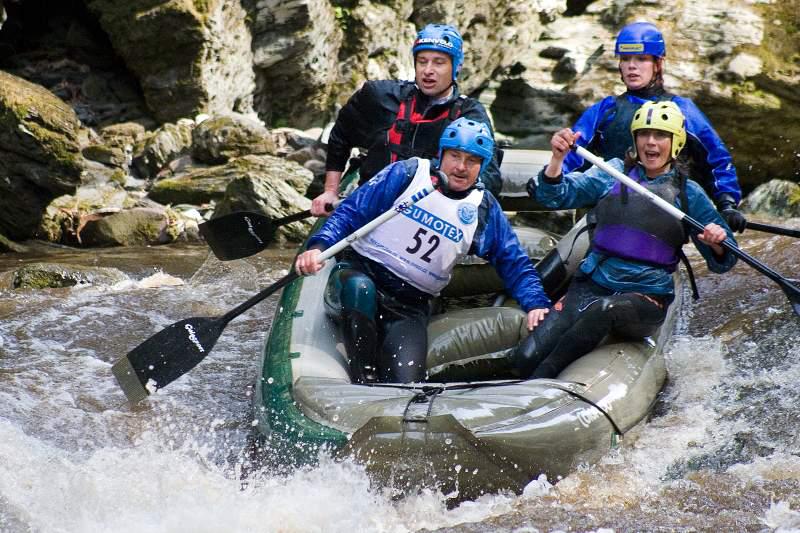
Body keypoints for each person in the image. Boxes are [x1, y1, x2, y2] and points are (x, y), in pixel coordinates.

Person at [296, 118, 550, 383]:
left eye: (472, 161)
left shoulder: (482, 209)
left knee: (406, 381)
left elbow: (514, 263)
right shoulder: (407, 174)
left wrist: (537, 304)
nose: (461, 167)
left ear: (483, 166)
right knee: (360, 289)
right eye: (455, 155)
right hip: (359, 276)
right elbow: (350, 213)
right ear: (442, 155)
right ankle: (363, 378)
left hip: (409, 306)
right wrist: (318, 247)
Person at [511, 100, 737, 379]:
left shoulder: (688, 194)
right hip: (593, 283)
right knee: (525, 357)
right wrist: (557, 159)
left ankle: (538, 383)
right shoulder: (614, 172)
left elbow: (725, 260)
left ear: (675, 142)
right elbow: (555, 195)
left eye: (660, 135)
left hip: (646, 295)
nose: (651, 143)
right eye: (644, 134)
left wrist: (716, 240)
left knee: (603, 311)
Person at [561, 21, 747, 232]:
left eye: (641, 59)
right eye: (625, 59)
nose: (632, 66)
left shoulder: (682, 110)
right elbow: (573, 157)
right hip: (607, 215)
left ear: (658, 64)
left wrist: (727, 203)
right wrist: (553, 178)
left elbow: (715, 159)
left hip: (660, 218)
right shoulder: (605, 110)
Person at [311, 23, 502, 216]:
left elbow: (490, 176)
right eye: (422, 61)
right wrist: (331, 190)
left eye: (438, 62)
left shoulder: (471, 115)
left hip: (429, 215)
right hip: (369, 206)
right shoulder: (380, 96)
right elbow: (341, 135)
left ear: (456, 66)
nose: (428, 70)